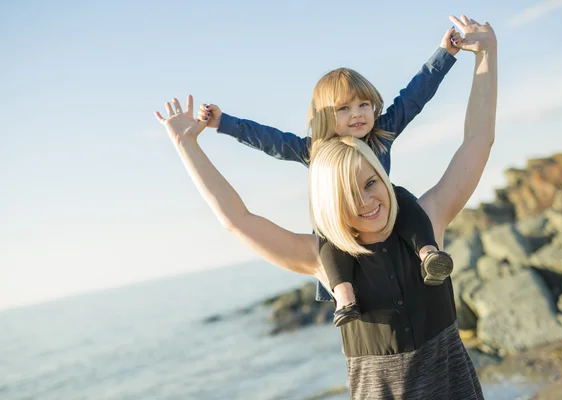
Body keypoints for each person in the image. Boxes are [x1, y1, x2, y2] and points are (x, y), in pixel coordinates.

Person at [155, 14, 496, 398]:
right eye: (346, 191)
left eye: (371, 182)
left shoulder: (426, 218)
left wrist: (484, 53)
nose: (364, 200)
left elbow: (476, 139)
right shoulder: (322, 257)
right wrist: (191, 145)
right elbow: (237, 218)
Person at [193, 28, 463, 324]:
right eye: (344, 108)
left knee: (403, 199)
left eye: (364, 105)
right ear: (325, 117)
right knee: (326, 234)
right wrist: (224, 123)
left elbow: (413, 97)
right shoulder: (315, 150)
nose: (357, 114)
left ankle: (428, 254)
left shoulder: (381, 135)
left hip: (380, 212)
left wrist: (445, 54)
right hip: (341, 220)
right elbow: (269, 140)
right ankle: (344, 294)